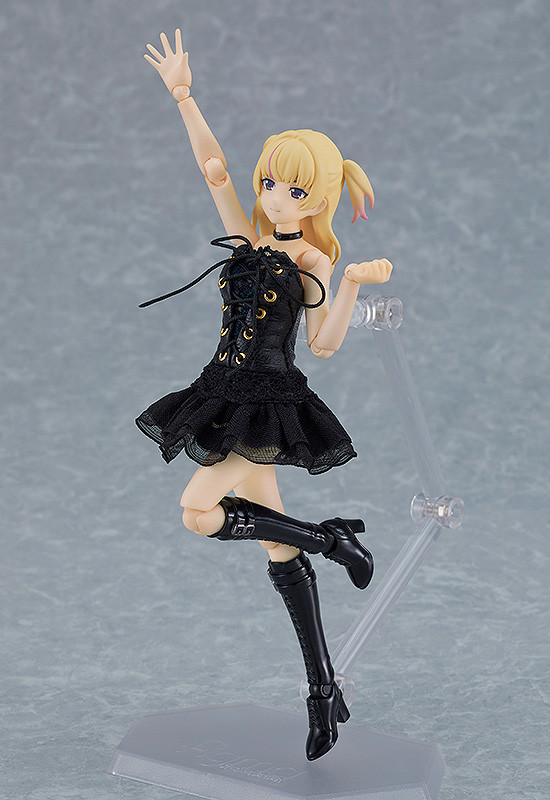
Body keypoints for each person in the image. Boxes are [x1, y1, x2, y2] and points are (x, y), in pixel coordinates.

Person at [137, 30, 393, 760]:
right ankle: (323, 690)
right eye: (271, 183)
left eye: (295, 189)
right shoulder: (249, 236)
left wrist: (350, 282)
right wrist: (184, 98)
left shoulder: (310, 256)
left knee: (197, 512)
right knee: (279, 551)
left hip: (268, 401)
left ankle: (331, 541)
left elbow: (324, 343)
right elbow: (214, 170)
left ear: (319, 198)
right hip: (223, 390)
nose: (276, 197)